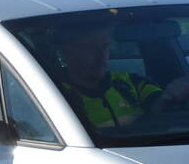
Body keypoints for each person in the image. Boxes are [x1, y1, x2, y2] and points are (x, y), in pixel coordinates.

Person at [56, 23, 189, 128]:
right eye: (91, 48)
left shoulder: (131, 81)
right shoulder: (55, 94)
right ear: (68, 51)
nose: (102, 56)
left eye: (105, 47)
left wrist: (169, 96)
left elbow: (157, 104)